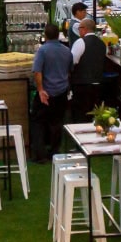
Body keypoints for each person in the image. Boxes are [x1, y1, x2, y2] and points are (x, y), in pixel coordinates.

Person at [31, 24, 73, 162]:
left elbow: (37, 71)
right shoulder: (67, 51)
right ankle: (55, 151)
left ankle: (40, 154)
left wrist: (40, 90)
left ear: (46, 35)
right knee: (56, 122)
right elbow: (69, 70)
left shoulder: (43, 51)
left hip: (46, 93)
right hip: (61, 91)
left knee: (38, 122)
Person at [69, 18, 106, 120]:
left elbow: (72, 61)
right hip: (98, 84)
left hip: (82, 85)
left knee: (81, 115)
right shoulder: (102, 43)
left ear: (84, 29)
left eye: (79, 28)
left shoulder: (80, 42)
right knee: (95, 116)